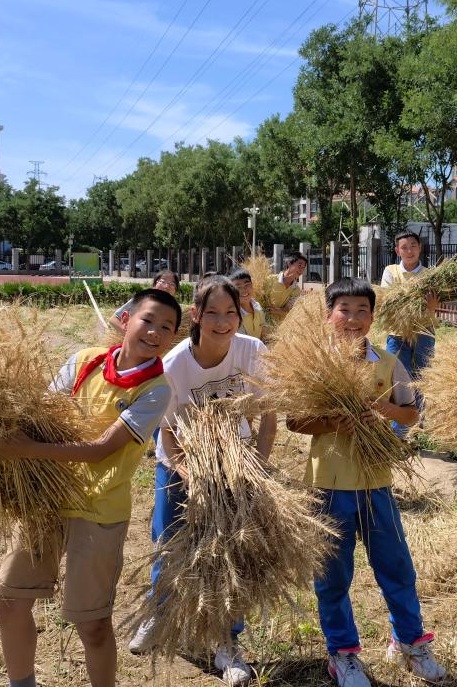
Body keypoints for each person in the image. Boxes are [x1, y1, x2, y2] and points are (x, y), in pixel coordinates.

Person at [0, 288, 181, 687]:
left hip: (98, 509)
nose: (155, 332)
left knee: (92, 624)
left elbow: (99, 450)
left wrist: (25, 450)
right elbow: (44, 412)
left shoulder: (156, 389)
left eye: (166, 328)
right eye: (148, 320)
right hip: (46, 497)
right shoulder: (84, 360)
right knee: (8, 601)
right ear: (125, 320)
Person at [287, 278, 446, 687]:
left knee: (397, 566)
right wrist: (331, 422)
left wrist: (383, 408)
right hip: (328, 484)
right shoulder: (313, 364)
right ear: (328, 315)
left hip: (376, 482)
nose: (353, 318)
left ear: (373, 318)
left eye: (362, 311)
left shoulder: (388, 363)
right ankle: (342, 654)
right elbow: (294, 421)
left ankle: (409, 642)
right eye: (344, 310)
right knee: (333, 575)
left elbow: (410, 413)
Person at [129, 276, 277, 686]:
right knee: (170, 542)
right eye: (212, 312)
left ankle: (227, 641)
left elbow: (268, 416)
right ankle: (160, 616)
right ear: (196, 314)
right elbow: (167, 434)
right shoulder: (175, 365)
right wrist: (191, 477)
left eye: (230, 312)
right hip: (183, 462)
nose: (222, 321)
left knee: (232, 551)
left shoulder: (252, 351)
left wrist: (257, 467)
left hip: (236, 461)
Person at [380, 232, 438, 381]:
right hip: (397, 331)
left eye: (413, 246)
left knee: (422, 374)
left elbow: (434, 303)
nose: (409, 251)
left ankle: (419, 398)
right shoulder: (390, 271)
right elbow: (388, 300)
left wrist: (431, 307)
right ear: (397, 251)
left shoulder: (430, 275)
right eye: (404, 247)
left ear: (420, 247)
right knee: (396, 373)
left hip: (424, 330)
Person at [111, 272, 179, 333]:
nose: (166, 286)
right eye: (163, 282)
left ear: (175, 290)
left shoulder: (175, 311)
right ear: (155, 284)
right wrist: (132, 336)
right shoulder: (142, 299)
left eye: (172, 284)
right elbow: (114, 319)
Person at [265, 251, 307, 319]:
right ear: (289, 263)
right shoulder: (270, 280)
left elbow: (288, 311)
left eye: (303, 267)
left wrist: (277, 311)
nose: (301, 270)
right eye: (299, 265)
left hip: (279, 324)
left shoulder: (296, 290)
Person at [229, 268, 266, 342]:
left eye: (247, 285)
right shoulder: (233, 314)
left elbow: (264, 334)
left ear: (252, 285)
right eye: (238, 287)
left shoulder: (257, 306)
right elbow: (241, 343)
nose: (243, 290)